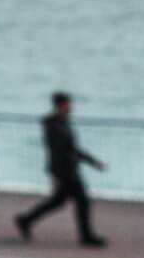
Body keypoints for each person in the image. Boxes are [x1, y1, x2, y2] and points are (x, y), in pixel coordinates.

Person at [16, 92, 107, 247]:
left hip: (69, 168)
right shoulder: (54, 124)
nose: (71, 107)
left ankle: (26, 220)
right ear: (60, 105)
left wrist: (92, 162)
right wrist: (57, 174)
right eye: (68, 103)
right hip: (66, 171)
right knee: (82, 201)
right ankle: (86, 236)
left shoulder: (62, 122)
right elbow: (57, 150)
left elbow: (73, 148)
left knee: (58, 201)